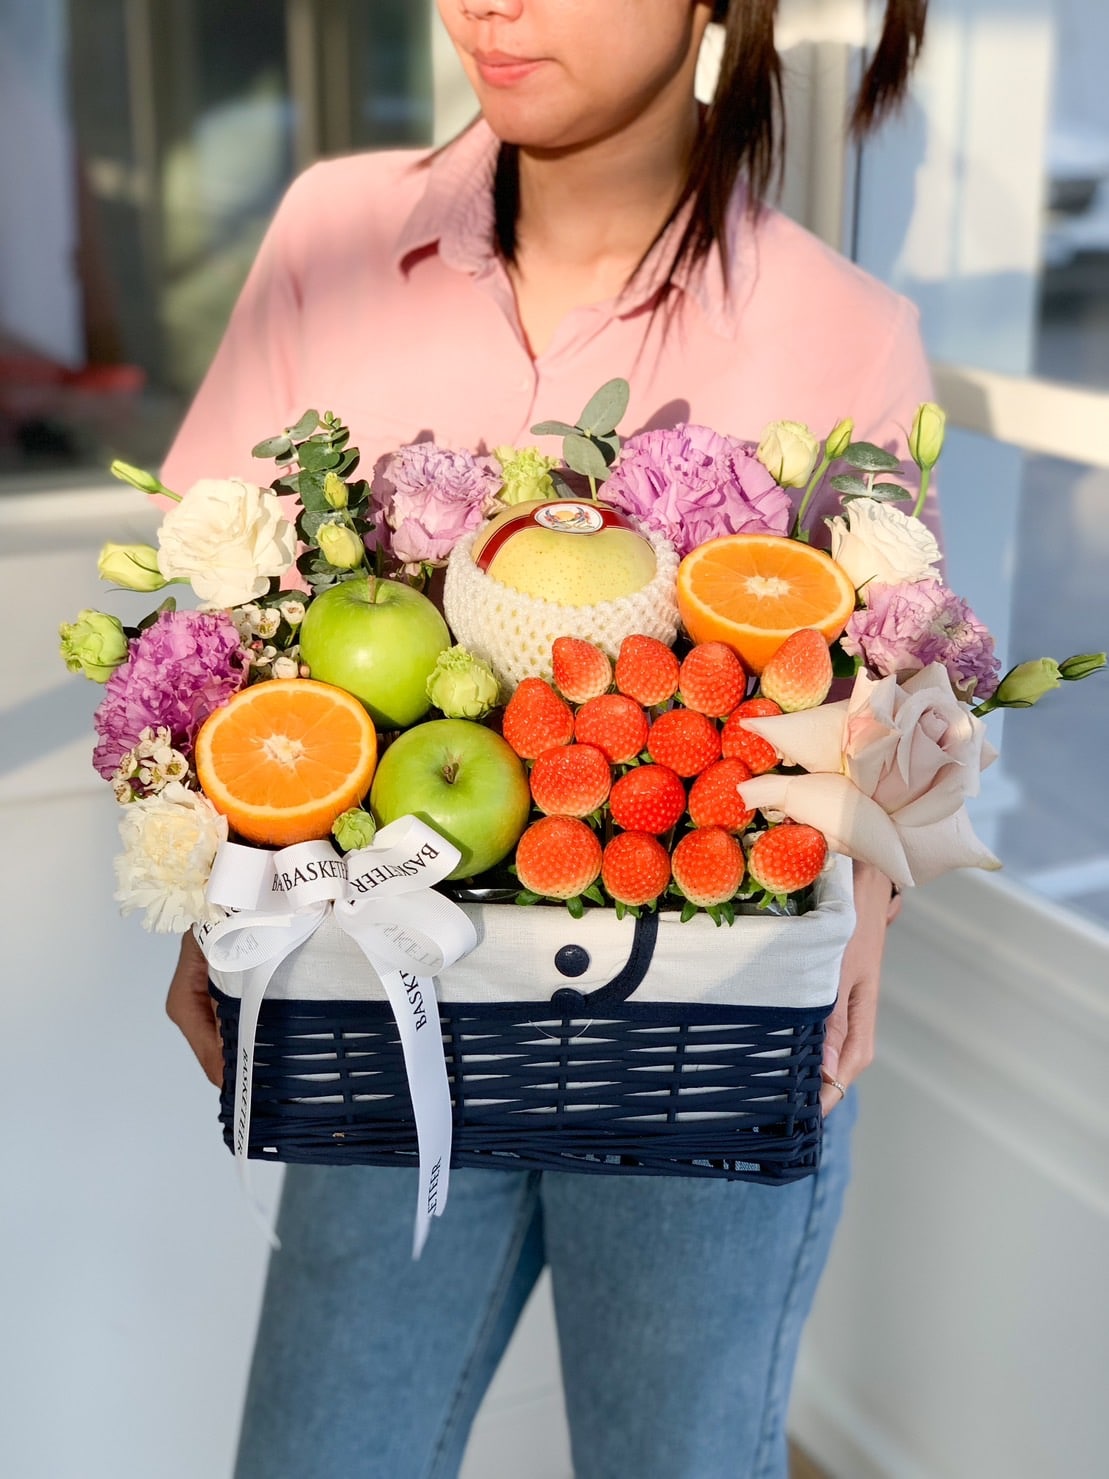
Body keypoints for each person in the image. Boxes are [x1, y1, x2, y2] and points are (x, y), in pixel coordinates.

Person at [162, 3, 932, 1475]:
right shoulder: (336, 235)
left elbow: (894, 699)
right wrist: (219, 882)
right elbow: (214, 615)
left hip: (694, 1051)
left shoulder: (842, 332)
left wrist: (864, 899)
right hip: (381, 1024)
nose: (486, 5)